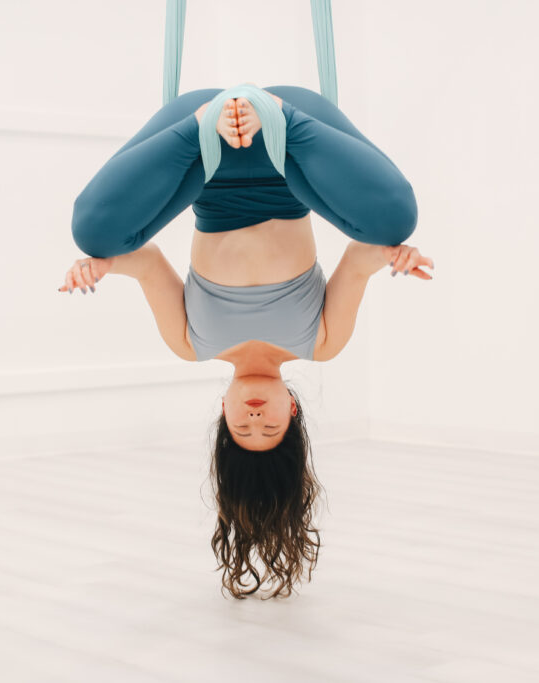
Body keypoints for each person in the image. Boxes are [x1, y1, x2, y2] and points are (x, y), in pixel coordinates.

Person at [59, 84, 433, 598]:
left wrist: (100, 265)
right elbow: (361, 256)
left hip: (202, 157)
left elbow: (144, 263)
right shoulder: (322, 341)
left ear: (223, 413)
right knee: (396, 221)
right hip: (292, 155)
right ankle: (280, 116)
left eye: (243, 427)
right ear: (293, 413)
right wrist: (397, 257)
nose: (256, 417)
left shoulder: (190, 342)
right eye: (270, 426)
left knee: (92, 230)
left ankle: (199, 121)